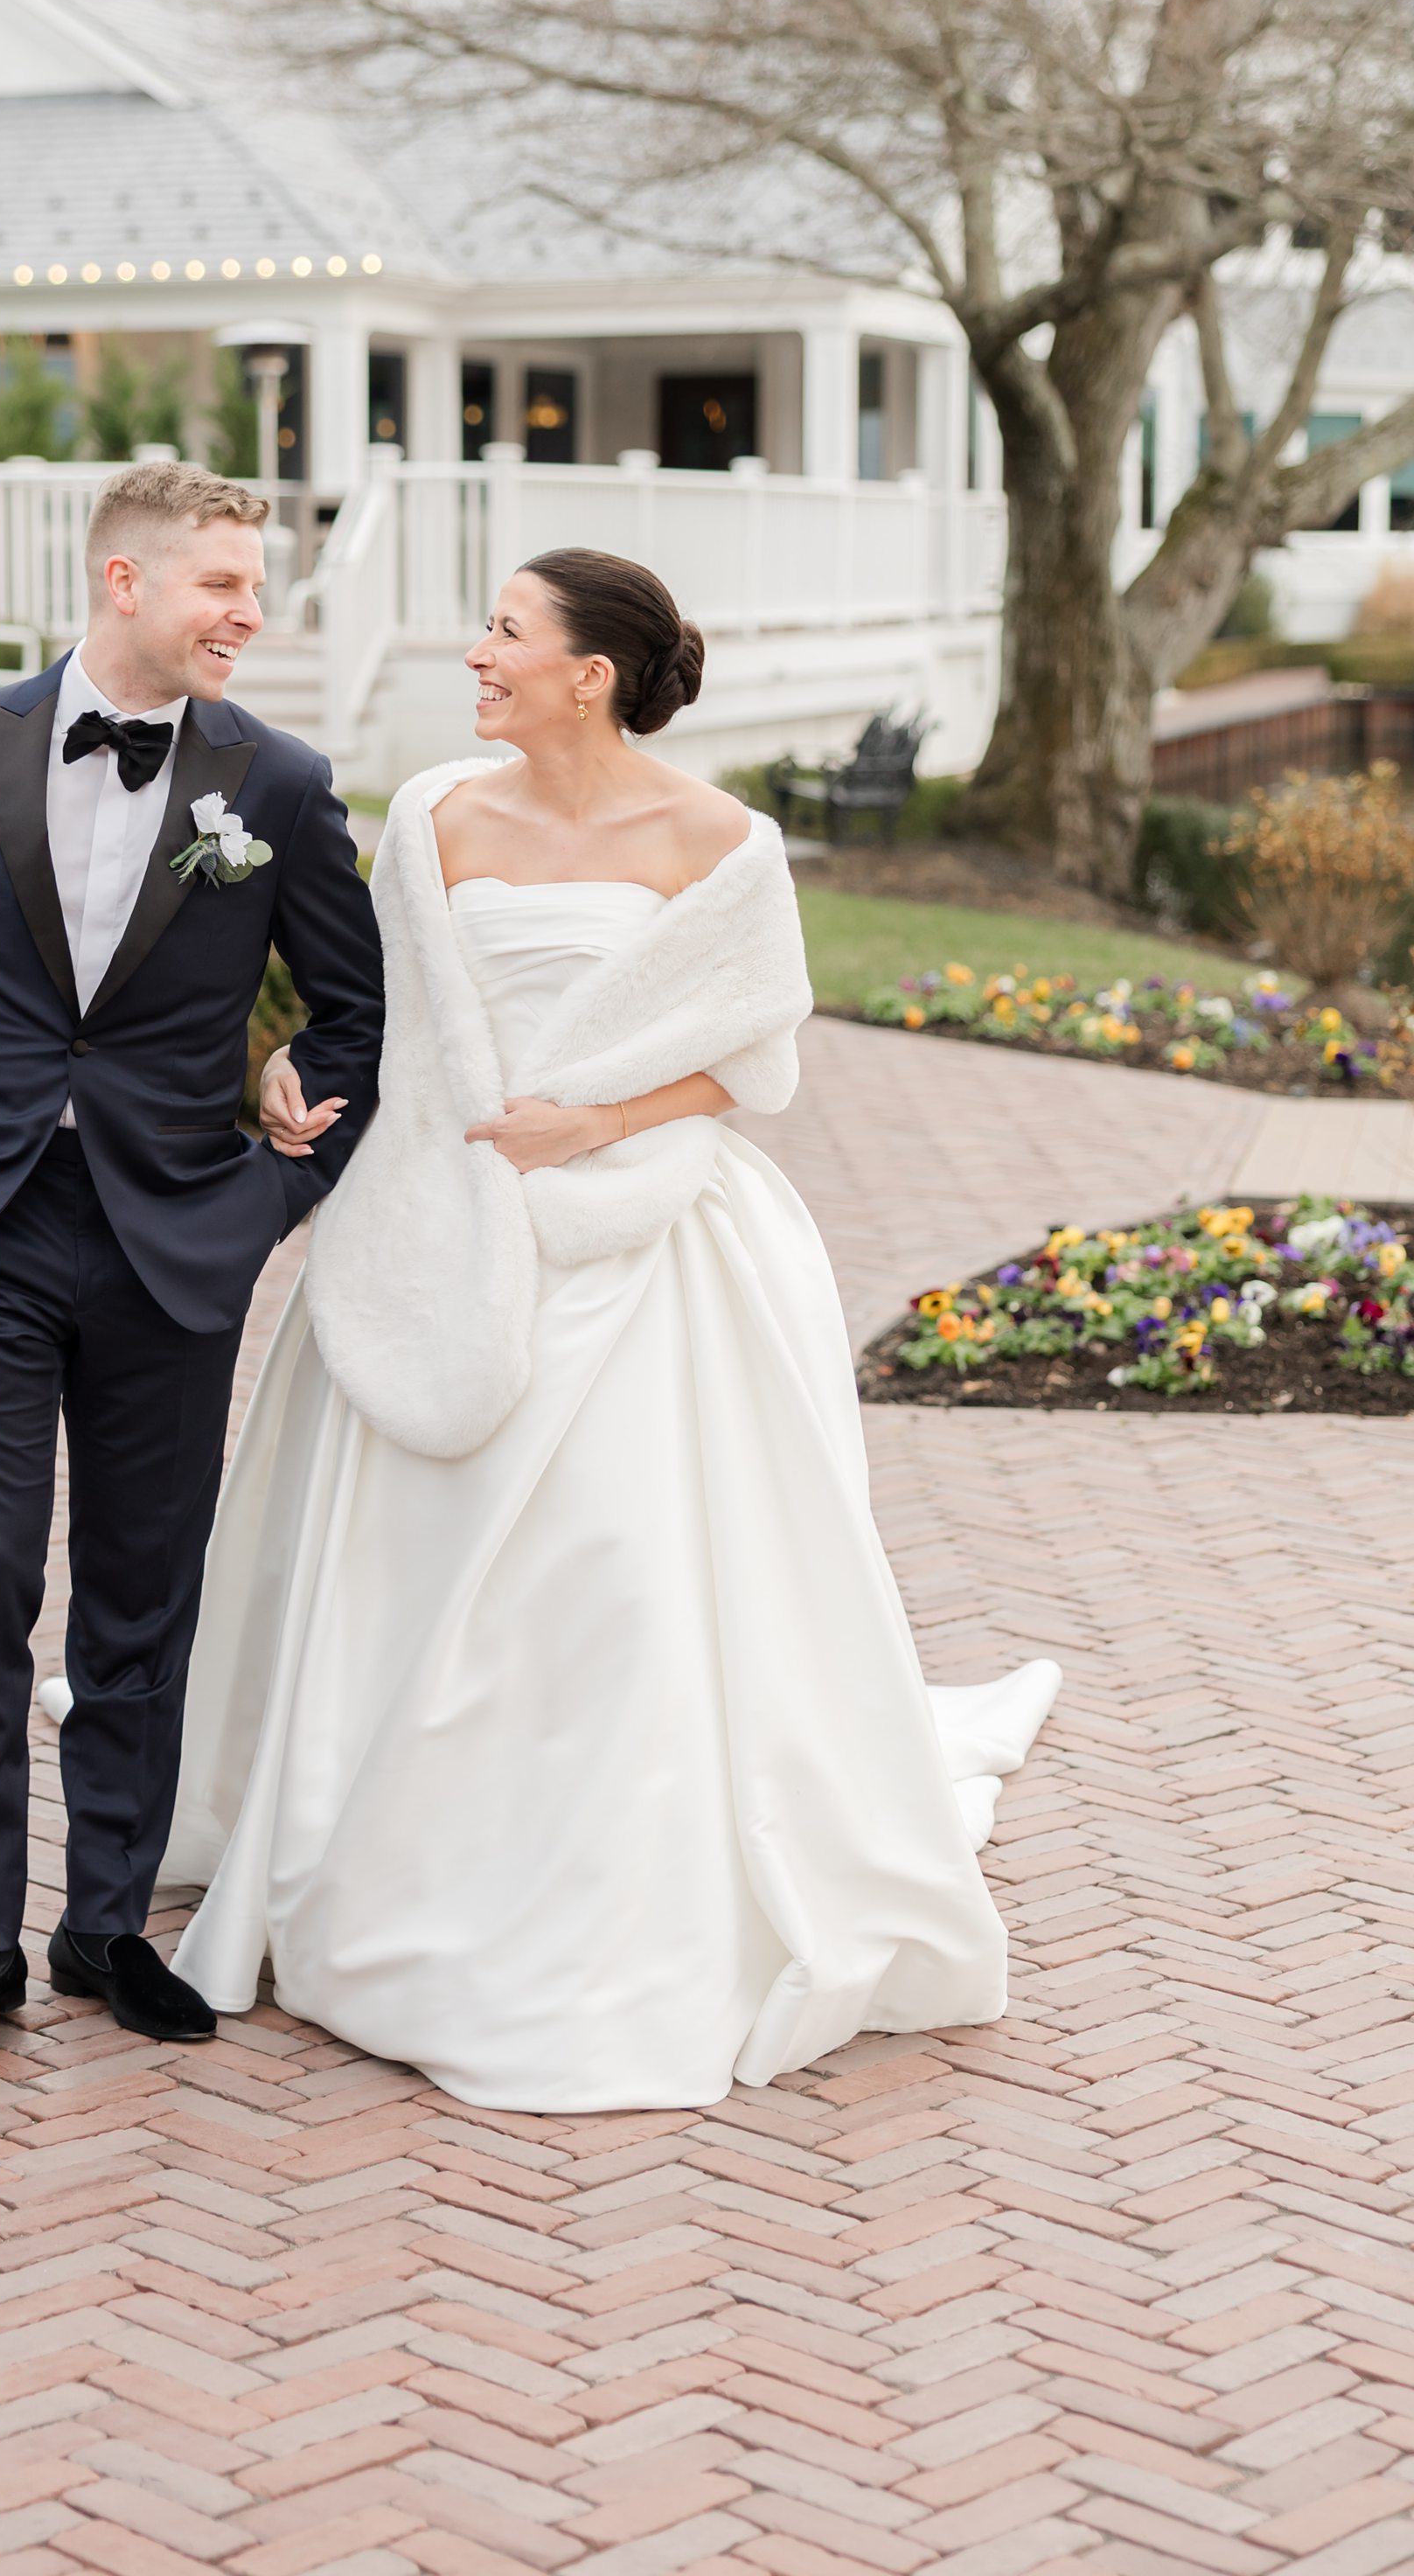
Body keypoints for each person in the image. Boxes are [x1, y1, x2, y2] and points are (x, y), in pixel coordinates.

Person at [164, 547, 1059, 2111]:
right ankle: (380, 1832)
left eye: (506, 630)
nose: (477, 651)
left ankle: (605, 1873)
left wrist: (599, 1127)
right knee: (401, 1556)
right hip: (438, 1230)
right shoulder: (434, 813)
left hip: (639, 1242)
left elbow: (752, 1057)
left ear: (591, 672)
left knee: (624, 1571)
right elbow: (390, 1022)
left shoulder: (724, 841)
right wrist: (297, 1074)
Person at [0, 463, 384, 2046]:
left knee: (142, 1595)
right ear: (124, 582)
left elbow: (357, 1012)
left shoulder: (272, 785)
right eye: (220, 585)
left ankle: (108, 1924)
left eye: (254, 587)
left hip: (172, 1240)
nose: (248, 615)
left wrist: (281, 1187)